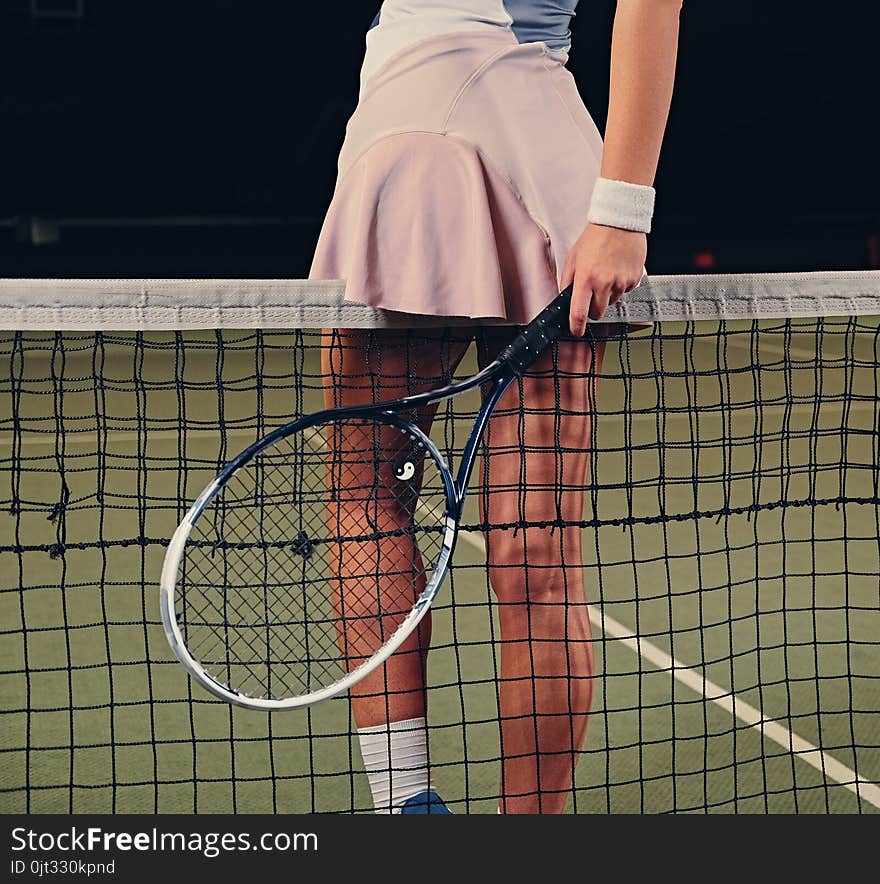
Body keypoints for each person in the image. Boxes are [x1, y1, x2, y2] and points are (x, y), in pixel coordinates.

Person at [309, 0, 683, 814]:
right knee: (529, 547)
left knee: (371, 500)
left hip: (412, 139)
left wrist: (623, 209)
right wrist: (617, 205)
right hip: (514, 140)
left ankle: (408, 811)